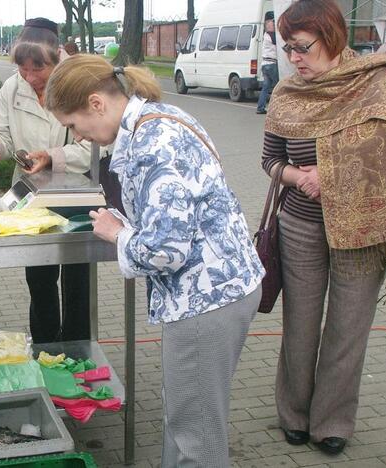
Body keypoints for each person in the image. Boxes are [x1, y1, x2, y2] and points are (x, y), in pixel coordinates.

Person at [45, 54, 265, 467]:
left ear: (97, 103)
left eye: (74, 125)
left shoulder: (151, 145)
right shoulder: (160, 117)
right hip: (223, 286)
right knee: (188, 414)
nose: (80, 137)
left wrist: (117, 233)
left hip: (205, 298)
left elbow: (165, 250)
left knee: (195, 432)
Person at [262, 0, 386, 455]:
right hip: (300, 225)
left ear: (332, 36)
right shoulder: (287, 92)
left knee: (348, 328)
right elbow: (270, 160)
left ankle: (331, 422)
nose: (294, 58)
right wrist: (300, 177)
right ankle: (293, 413)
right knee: (301, 324)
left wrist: (330, 176)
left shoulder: (377, 83)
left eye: (301, 47)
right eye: (287, 47)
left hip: (365, 228)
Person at [0, 18, 92, 345]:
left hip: (78, 194)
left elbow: (95, 145)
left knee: (78, 278)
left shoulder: (78, 84)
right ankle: (47, 345)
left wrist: (51, 156)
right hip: (32, 195)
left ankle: (78, 347)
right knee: (39, 275)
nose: (30, 78)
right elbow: (3, 134)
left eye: (39, 69)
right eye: (23, 69)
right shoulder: (13, 87)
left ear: (56, 59)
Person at [257, 11, 279, 115]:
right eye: (272, 23)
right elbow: (279, 44)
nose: (274, 25)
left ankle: (260, 107)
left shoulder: (265, 35)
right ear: (269, 24)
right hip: (271, 64)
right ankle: (277, 108)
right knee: (278, 87)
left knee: (265, 88)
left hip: (265, 64)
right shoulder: (272, 35)